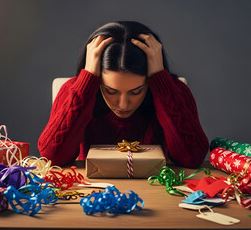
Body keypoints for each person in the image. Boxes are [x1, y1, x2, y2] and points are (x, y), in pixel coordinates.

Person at [38, 21, 209, 168]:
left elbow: (192, 158)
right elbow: (52, 156)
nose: (123, 105)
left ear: (149, 82)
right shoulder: (74, 90)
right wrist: (87, 81)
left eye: (136, 92)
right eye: (111, 91)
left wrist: (161, 82)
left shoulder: (174, 91)